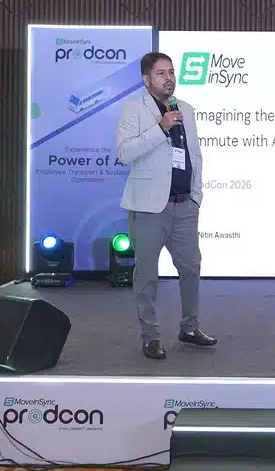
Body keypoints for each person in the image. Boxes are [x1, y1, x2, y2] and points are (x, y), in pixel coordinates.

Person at [116, 52, 217, 361]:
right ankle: (150, 336)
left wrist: (196, 196)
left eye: (171, 72)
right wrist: (160, 127)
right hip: (149, 208)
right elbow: (124, 153)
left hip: (185, 206)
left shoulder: (185, 109)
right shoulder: (134, 108)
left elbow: (194, 155)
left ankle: (190, 327)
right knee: (147, 275)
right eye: (161, 73)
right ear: (146, 79)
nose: (169, 78)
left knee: (191, 268)